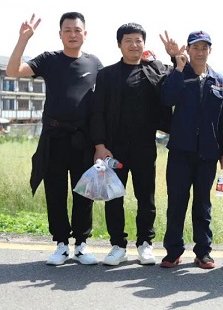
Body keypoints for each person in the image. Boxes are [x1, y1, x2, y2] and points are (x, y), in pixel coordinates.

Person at [6, 12, 103, 266]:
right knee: (55, 191)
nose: (73, 34)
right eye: (67, 30)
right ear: (60, 34)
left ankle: (81, 245)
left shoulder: (94, 63)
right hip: (55, 137)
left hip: (84, 140)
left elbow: (109, 94)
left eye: (77, 30)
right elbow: (13, 71)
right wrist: (23, 39)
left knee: (84, 193)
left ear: (85, 34)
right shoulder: (49, 59)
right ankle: (61, 244)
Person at [90, 23, 174, 266]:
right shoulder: (107, 75)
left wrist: (172, 55)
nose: (134, 45)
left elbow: (181, 74)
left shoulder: (155, 70)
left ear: (144, 44)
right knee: (113, 197)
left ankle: (145, 243)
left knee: (146, 197)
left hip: (144, 146)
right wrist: (99, 145)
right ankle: (118, 245)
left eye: (138, 41)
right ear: (119, 44)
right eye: (128, 41)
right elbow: (97, 111)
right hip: (113, 148)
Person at [158, 30, 223, 269]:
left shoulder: (219, 81)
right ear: (188, 50)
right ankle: (173, 252)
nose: (200, 52)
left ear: (210, 50)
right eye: (195, 47)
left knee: (202, 205)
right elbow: (167, 99)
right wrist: (179, 68)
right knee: (176, 203)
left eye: (204, 48)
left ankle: (203, 252)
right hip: (180, 151)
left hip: (208, 153)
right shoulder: (179, 74)